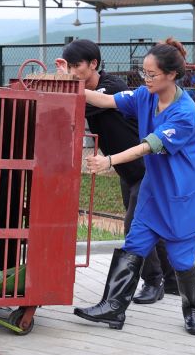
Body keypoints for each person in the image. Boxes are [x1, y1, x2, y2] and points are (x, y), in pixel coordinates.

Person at [73, 38, 195, 335]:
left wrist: (108, 161)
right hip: (155, 187)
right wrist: (71, 86)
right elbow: (107, 100)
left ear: (171, 75)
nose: (146, 79)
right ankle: (112, 308)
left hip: (184, 193)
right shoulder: (145, 96)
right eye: (144, 73)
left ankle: (194, 312)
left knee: (180, 258)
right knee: (135, 242)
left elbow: (148, 147)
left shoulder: (185, 113)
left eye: (152, 75)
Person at [55, 40, 176, 304]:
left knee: (134, 224)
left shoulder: (112, 87)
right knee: (153, 223)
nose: (73, 71)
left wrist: (64, 83)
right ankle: (175, 280)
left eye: (77, 66)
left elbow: (79, 105)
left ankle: (153, 281)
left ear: (93, 64)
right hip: (127, 171)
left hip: (147, 169)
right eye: (70, 67)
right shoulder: (87, 89)